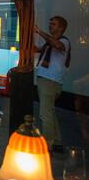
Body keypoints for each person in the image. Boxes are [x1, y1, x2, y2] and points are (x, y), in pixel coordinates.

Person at [35, 16, 71, 152]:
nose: (51, 26)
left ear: (61, 27)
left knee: (45, 114)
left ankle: (46, 145)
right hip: (46, 79)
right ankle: (57, 141)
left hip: (50, 81)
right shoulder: (49, 43)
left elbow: (57, 46)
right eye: (50, 24)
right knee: (50, 111)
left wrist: (39, 32)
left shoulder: (64, 42)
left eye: (54, 24)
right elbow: (42, 49)